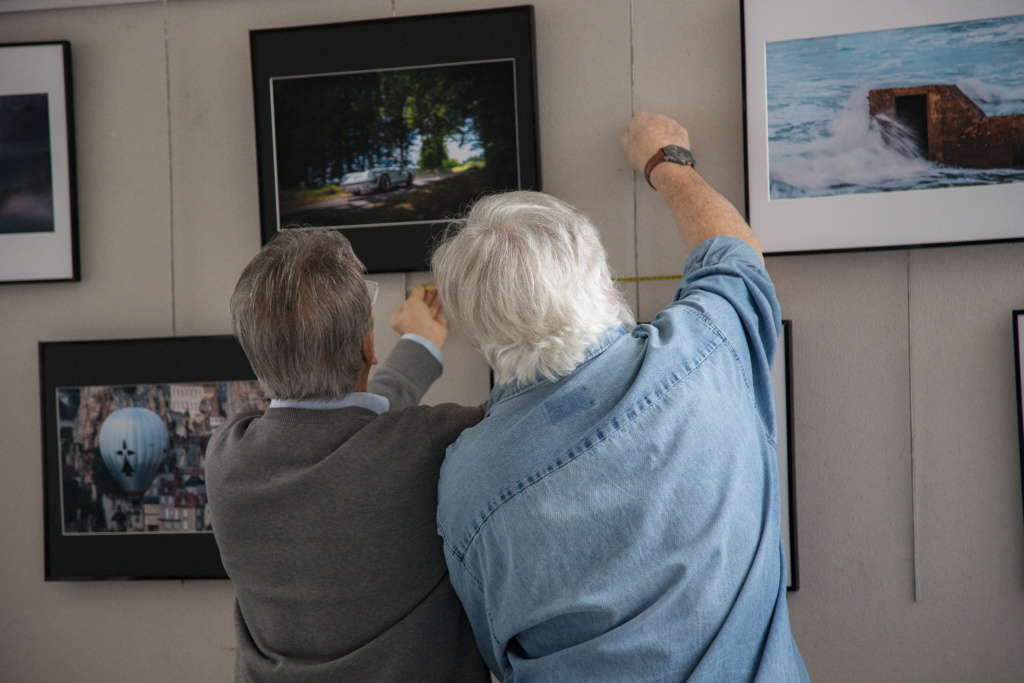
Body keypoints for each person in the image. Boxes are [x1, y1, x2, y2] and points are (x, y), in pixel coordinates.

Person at [431, 112, 810, 681]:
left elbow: (497, 656)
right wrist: (666, 162)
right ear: (603, 279)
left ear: (481, 334)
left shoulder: (466, 481)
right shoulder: (705, 349)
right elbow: (735, 255)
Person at [206, 228, 490, 682]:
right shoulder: (431, 443)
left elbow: (338, 425)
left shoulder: (227, 460)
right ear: (367, 347)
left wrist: (419, 346)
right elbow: (365, 431)